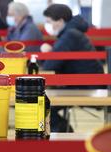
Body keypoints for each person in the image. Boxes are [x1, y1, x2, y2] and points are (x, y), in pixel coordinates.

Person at [40, 4, 104, 133]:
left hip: (86, 87)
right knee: (41, 103)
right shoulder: (72, 33)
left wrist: (46, 53)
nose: (47, 25)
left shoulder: (70, 35)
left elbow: (49, 66)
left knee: (40, 106)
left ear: (60, 21)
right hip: (86, 84)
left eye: (49, 21)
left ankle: (65, 133)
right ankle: (64, 132)